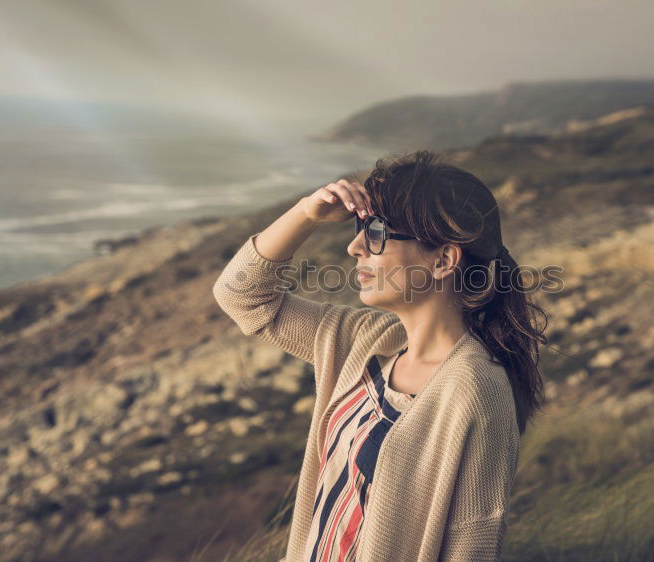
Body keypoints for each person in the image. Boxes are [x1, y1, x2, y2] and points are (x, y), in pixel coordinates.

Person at [212, 149, 548, 561]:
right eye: (360, 229)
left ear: (443, 259)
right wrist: (306, 213)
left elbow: (472, 542)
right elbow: (242, 296)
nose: (355, 247)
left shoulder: (475, 390)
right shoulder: (367, 340)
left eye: (375, 233)